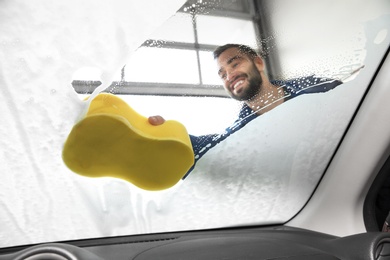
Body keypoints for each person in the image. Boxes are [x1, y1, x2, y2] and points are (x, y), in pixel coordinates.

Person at [149, 44, 343, 178]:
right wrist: (164, 135)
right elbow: (207, 150)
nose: (230, 75)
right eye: (223, 74)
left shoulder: (315, 87)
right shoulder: (240, 134)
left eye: (235, 64)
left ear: (258, 63)